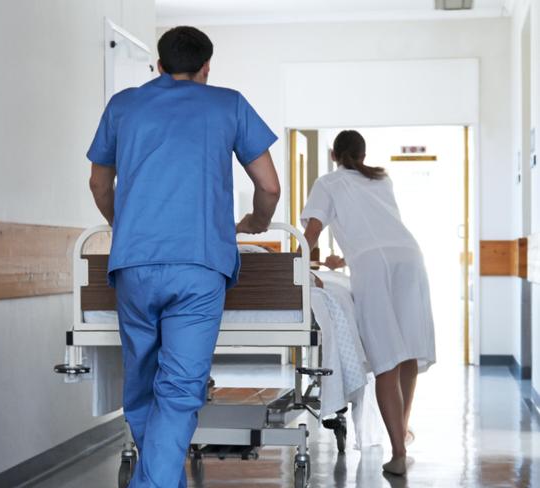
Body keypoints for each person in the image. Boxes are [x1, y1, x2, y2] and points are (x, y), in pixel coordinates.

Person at [87, 26, 280, 488]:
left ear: (158, 64)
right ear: (207, 68)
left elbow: (98, 183)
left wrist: (126, 224)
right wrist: (256, 221)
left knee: (141, 385)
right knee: (179, 390)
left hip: (134, 264)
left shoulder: (123, 106)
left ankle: (157, 481)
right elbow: (269, 185)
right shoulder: (228, 103)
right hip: (199, 265)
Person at [300, 130, 435, 476]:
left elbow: (312, 233)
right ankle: (401, 436)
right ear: (363, 153)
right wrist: (343, 261)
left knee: (386, 357)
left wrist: (298, 268)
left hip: (374, 265)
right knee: (406, 352)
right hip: (410, 256)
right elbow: (382, 232)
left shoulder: (328, 182)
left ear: (334, 153)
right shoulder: (381, 179)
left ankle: (399, 451)